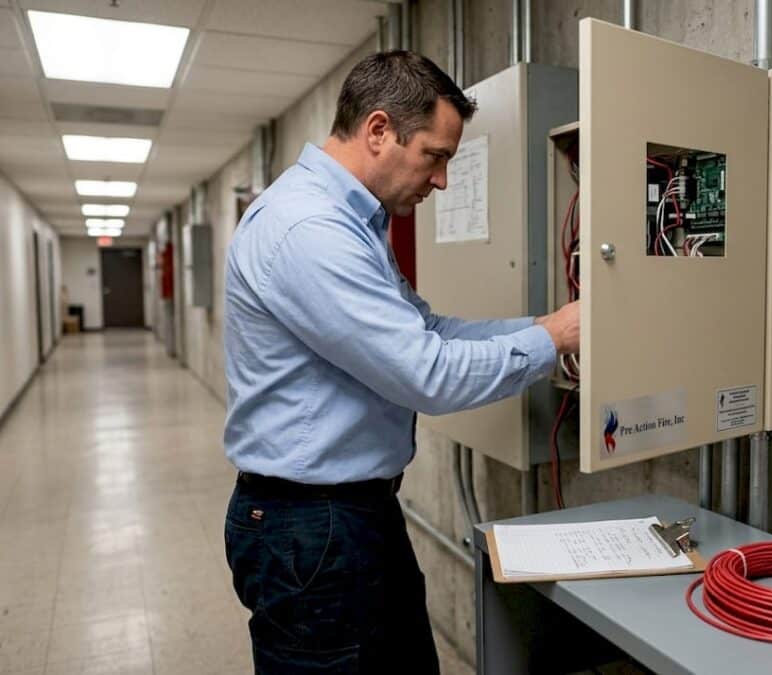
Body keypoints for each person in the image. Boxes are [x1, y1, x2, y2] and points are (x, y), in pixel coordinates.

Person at [221, 50, 579, 674]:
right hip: (312, 528)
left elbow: (427, 330)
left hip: (352, 515)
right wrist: (550, 340)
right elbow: (426, 373)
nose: (442, 181)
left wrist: (547, 328)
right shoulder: (309, 228)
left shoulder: (352, 221)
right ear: (379, 130)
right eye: (435, 156)